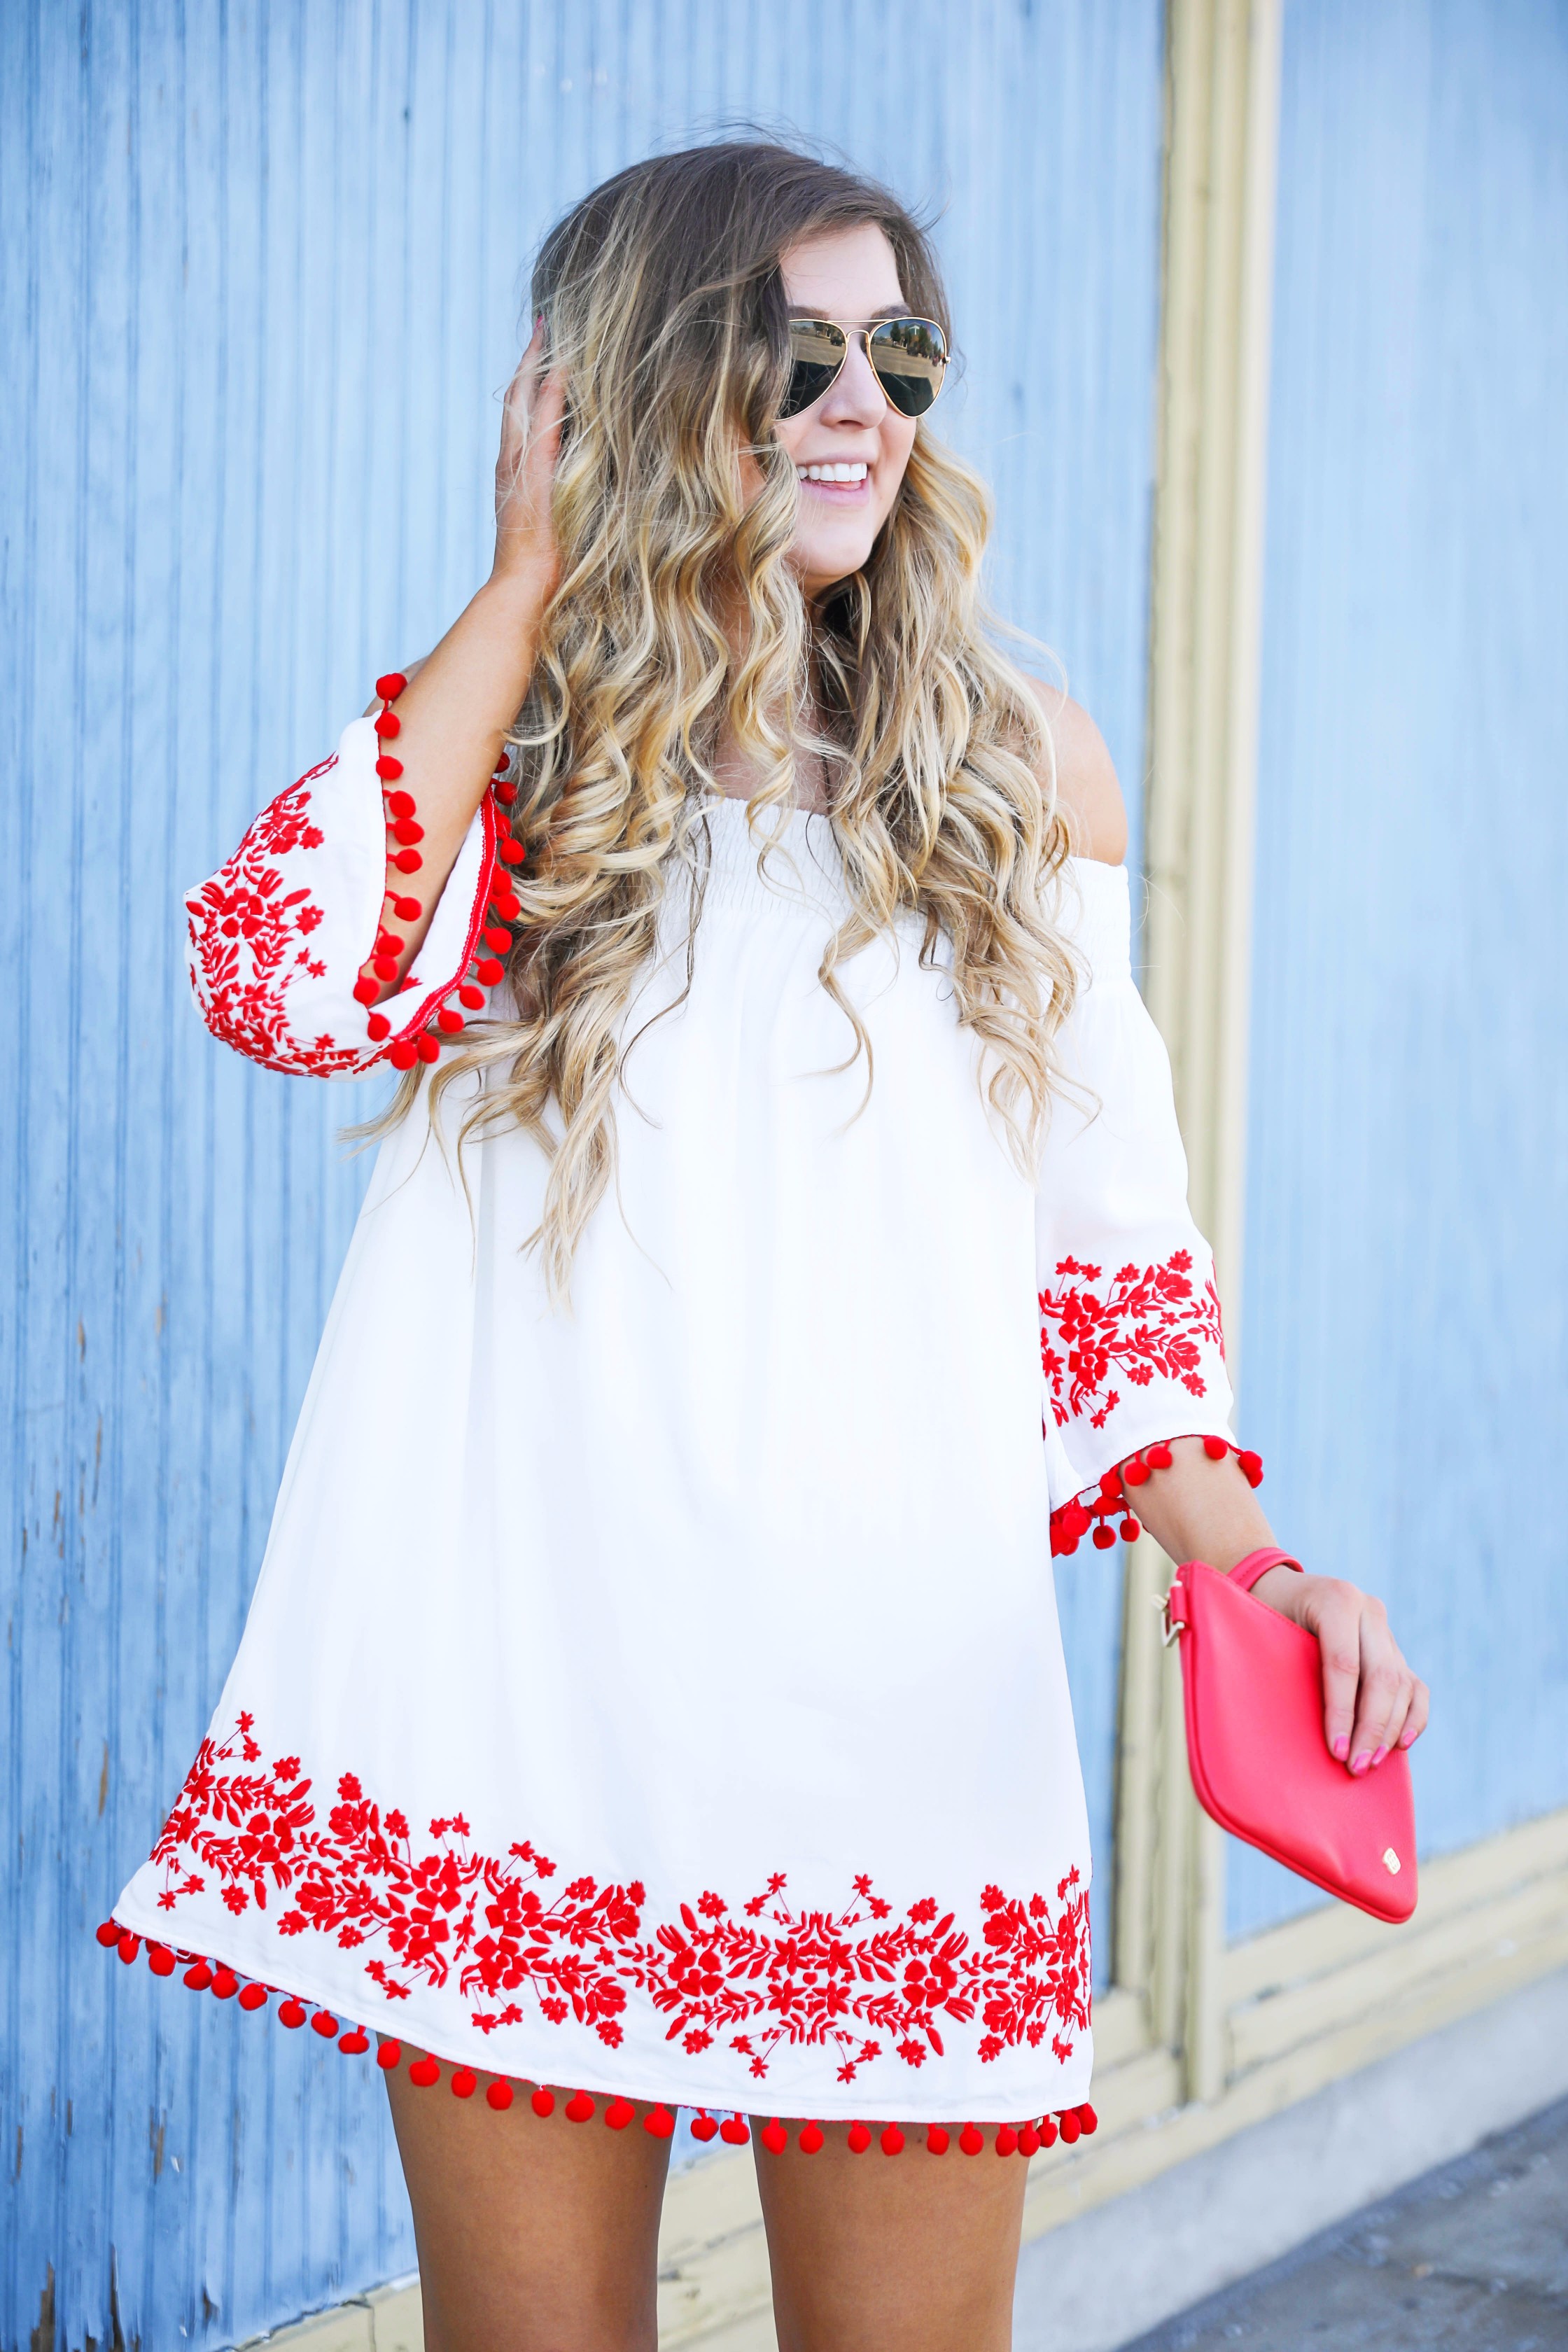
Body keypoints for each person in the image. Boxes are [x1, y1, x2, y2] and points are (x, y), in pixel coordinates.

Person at [103, 141, 1428, 2352]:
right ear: (629, 386)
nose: (859, 405)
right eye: (787, 351)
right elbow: (278, 977)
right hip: (528, 1705)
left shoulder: (1022, 774)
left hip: (895, 1713)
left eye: (898, 351)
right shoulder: (510, 759)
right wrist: (526, 577)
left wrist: (1250, 1562)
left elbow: (1110, 1273)